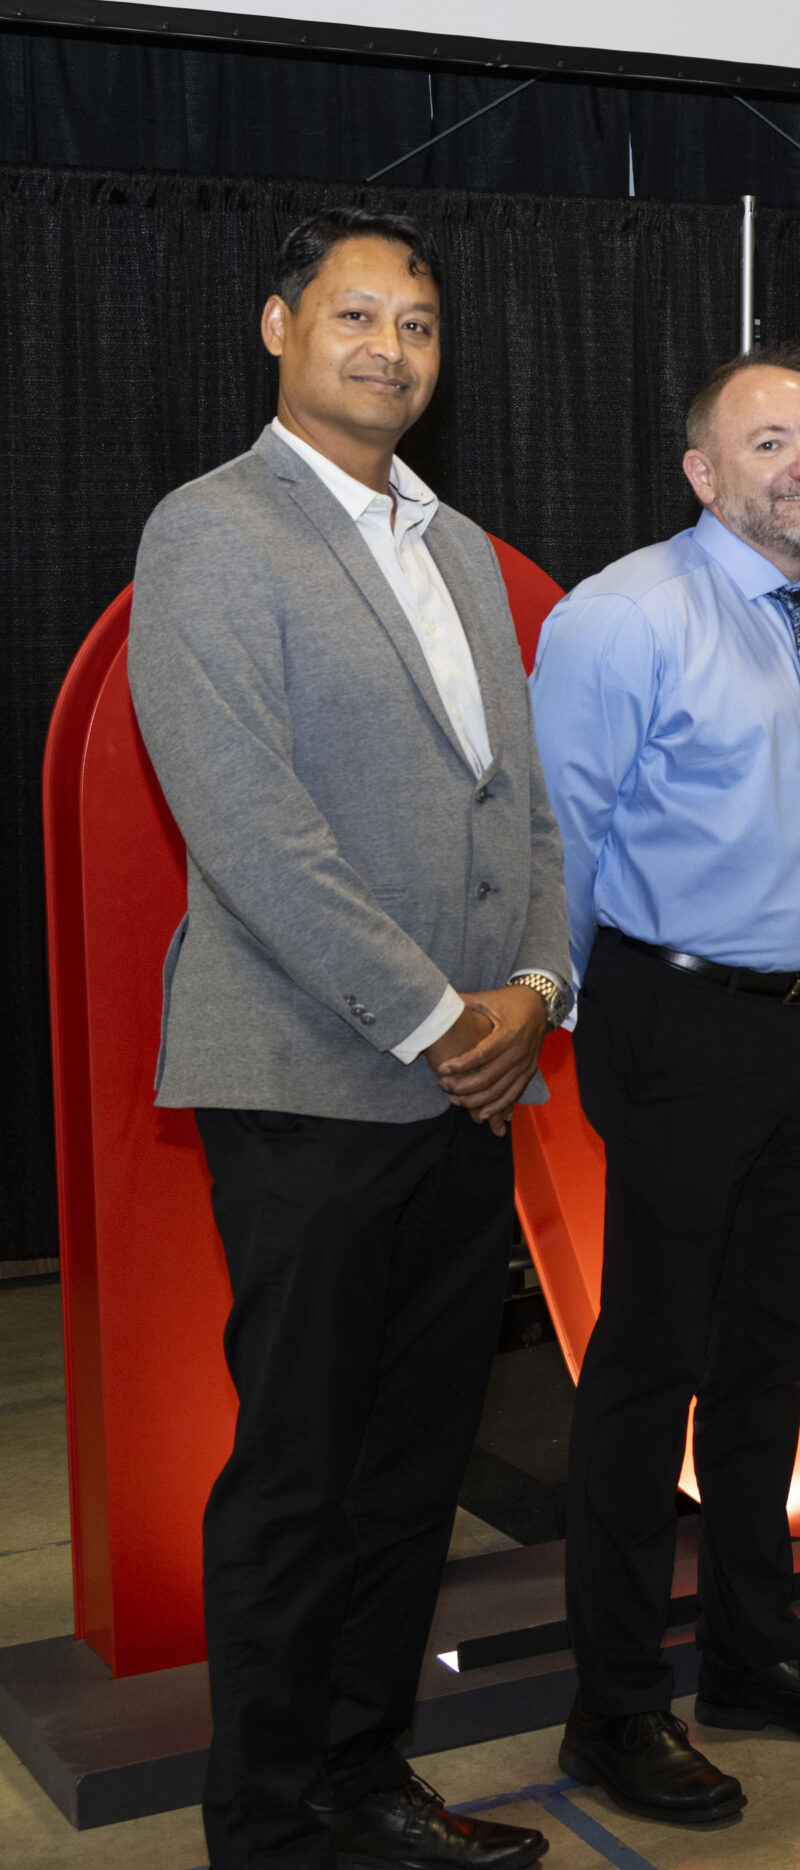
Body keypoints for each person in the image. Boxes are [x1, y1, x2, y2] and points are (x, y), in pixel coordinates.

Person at [127, 208, 563, 1870]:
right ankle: (266, 1827)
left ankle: (369, 1779)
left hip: (469, 1093)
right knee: (300, 1479)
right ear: (278, 326)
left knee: (412, 1470)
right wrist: (446, 1016)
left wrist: (538, 987)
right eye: (357, 315)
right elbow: (250, 826)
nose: (391, 348)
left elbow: (523, 806)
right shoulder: (211, 530)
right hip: (313, 1081)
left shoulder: (462, 548)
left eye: (419, 324)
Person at [529, 344, 800, 1827]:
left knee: (770, 1364)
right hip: (677, 1022)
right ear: (702, 472)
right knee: (647, 1369)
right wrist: (559, 1020)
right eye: (768, 442)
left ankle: (753, 1650)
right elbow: (560, 840)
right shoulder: (621, 616)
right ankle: (615, 1705)